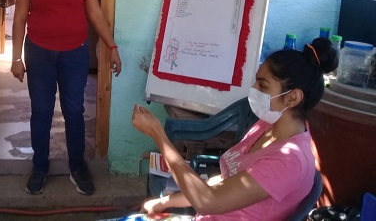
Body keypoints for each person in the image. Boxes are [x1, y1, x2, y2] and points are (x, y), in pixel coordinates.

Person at [132, 37, 337, 221]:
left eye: (263, 86)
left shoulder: (289, 162)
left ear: (292, 97)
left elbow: (208, 201)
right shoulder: (268, 125)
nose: (253, 90)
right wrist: (165, 202)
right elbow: (226, 181)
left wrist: (157, 133)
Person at [11, 0, 122, 196]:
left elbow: (95, 13)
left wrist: (112, 47)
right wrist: (16, 58)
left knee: (74, 111)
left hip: (74, 54)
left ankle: (77, 168)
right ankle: (39, 167)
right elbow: (19, 18)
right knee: (42, 112)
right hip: (39, 53)